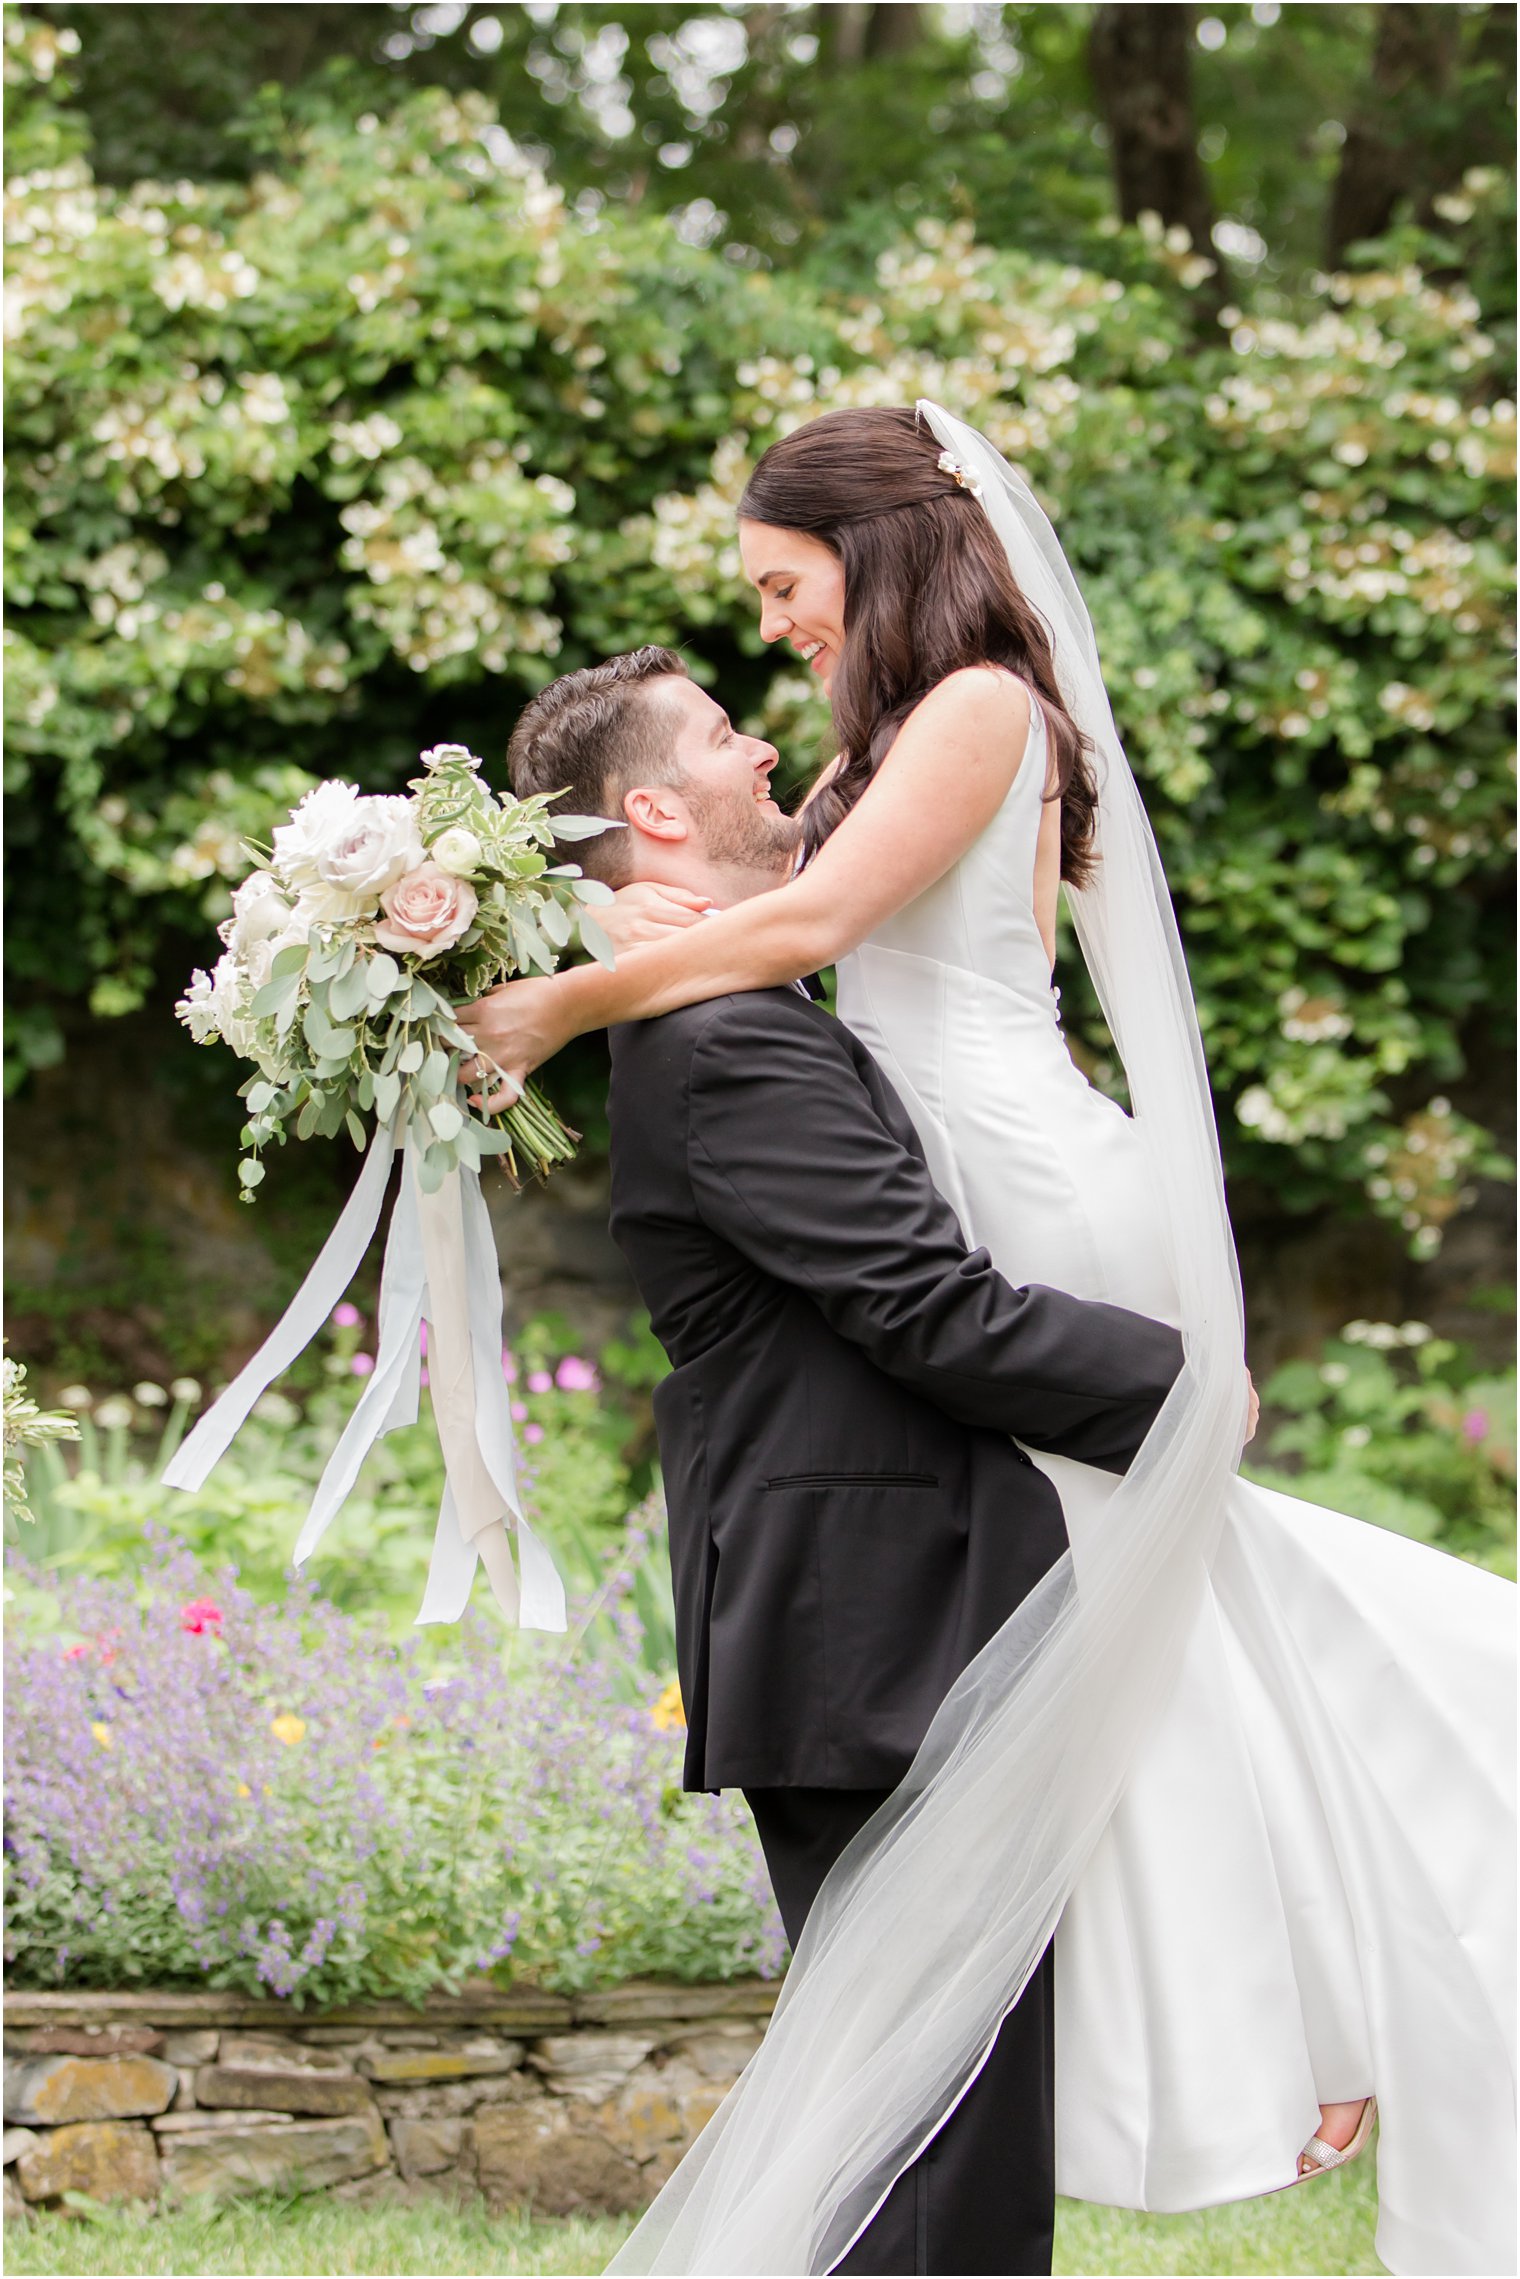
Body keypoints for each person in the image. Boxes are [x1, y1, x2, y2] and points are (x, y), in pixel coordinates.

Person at [459, 407, 1515, 2279]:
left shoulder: (976, 709)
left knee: (1188, 1624)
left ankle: (1337, 1972)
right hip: (949, 1203)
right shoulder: (862, 772)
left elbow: (820, 918)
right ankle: (1324, 1979)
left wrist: (566, 987)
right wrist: (604, 902)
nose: (777, 644)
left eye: (782, 591)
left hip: (1020, 1173)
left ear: (873, 550)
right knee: (1172, 1650)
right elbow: (766, 922)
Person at [500, 644, 1188, 2272]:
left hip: (867, 1608)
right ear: (654, 808)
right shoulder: (733, 1047)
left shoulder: (731, 1012)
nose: (774, 761)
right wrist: (1179, 1385)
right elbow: (925, 1311)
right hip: (870, 1616)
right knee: (930, 2136)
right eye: (729, 738)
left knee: (915, 2105)